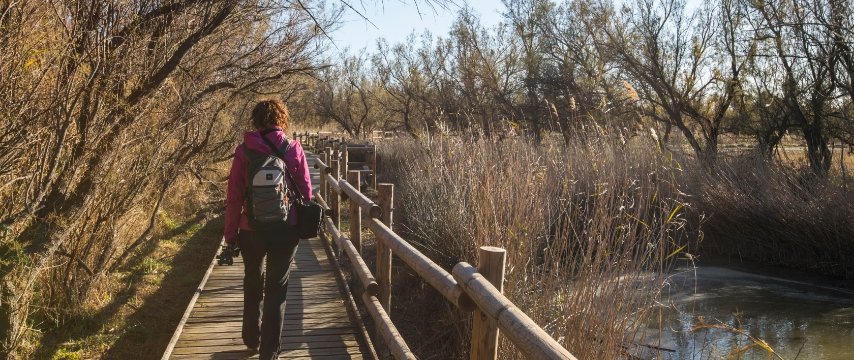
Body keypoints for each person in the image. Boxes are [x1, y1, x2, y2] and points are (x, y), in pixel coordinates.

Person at [223, 99, 313, 359]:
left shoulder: (244, 151)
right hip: (286, 229)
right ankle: (269, 352)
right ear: (281, 119)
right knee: (277, 287)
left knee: (252, 280)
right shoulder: (293, 148)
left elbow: (234, 196)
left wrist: (230, 235)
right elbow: (306, 192)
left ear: (256, 121)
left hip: (250, 229)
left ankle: (251, 336)